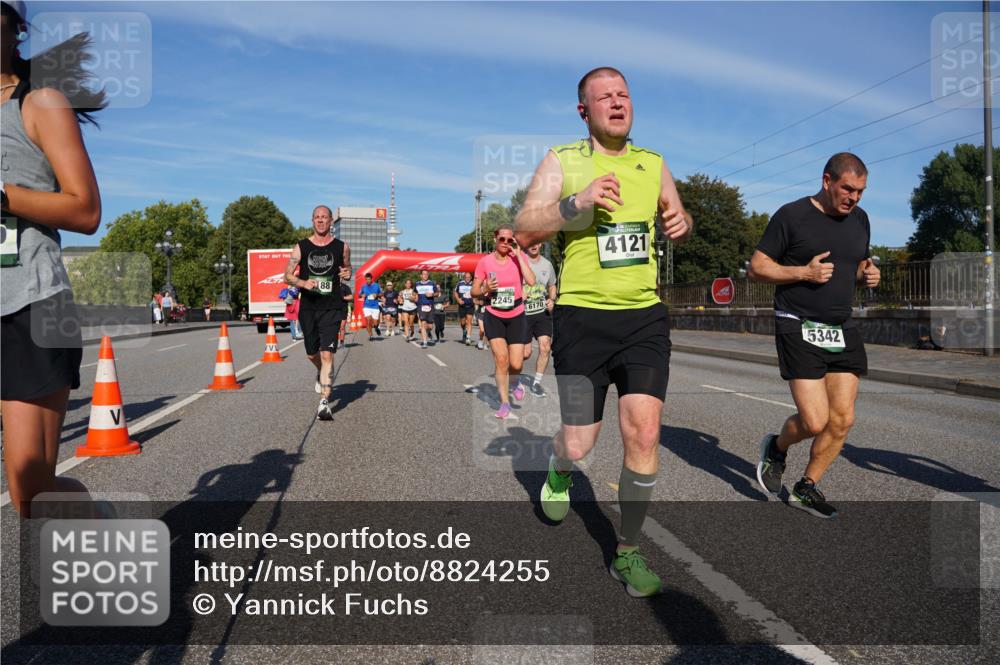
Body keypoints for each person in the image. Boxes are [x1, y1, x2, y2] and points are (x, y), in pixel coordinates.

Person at [515, 67, 693, 596]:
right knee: (579, 441)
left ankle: (628, 551)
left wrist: (680, 222)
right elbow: (525, 229)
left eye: (624, 94)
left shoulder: (652, 163)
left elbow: (675, 213)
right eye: (604, 97)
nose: (617, 103)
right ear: (584, 111)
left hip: (643, 317)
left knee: (644, 432)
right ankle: (559, 468)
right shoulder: (563, 161)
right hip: (580, 318)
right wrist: (579, 202)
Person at [1, 0, 107, 516]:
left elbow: (86, 210)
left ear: (15, 29)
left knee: (31, 491)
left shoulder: (39, 104)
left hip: (31, 303)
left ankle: (103, 534)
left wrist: (4, 197)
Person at [750, 152, 879, 519]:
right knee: (815, 421)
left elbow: (857, 265)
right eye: (848, 189)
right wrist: (803, 274)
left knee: (842, 420)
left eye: (861, 192)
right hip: (797, 322)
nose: (854, 198)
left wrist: (868, 275)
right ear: (827, 181)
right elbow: (757, 268)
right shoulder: (792, 216)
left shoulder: (861, 220)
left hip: (841, 327)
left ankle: (806, 487)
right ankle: (776, 447)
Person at [284, 205, 352, 421]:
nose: (321, 221)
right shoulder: (301, 247)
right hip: (309, 307)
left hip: (332, 306)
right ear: (312, 220)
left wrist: (348, 273)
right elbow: (287, 275)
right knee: (312, 354)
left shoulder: (342, 247)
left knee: (327, 354)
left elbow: (348, 271)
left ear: (331, 221)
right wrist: (303, 282)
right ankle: (320, 371)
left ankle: (324, 402)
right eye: (317, 217)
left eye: (325, 217)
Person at [472, 225, 536, 419]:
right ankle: (504, 403)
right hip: (494, 314)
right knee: (501, 359)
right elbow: (474, 291)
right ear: (495, 239)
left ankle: (515, 382)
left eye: (510, 240)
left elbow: (532, 281)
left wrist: (519, 256)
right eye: (503, 239)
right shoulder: (485, 262)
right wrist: (484, 288)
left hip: (516, 313)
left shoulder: (519, 258)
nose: (506, 243)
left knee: (516, 364)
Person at [520, 242, 558, 397]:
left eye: (536, 242)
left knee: (545, 347)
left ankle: (536, 383)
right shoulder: (521, 261)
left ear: (541, 244)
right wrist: (519, 294)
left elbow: (552, 285)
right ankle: (511, 374)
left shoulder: (547, 264)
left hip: (542, 313)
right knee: (525, 353)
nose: (533, 245)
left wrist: (552, 299)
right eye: (530, 243)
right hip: (524, 313)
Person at [414, 270, 439, 349]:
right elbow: (414, 293)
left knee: (430, 326)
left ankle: (428, 333)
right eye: (423, 274)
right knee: (423, 324)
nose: (425, 275)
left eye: (426, 274)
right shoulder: (417, 284)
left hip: (430, 306)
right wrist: (414, 298)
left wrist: (432, 294)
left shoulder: (432, 283)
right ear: (421, 275)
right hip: (421, 306)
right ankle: (425, 342)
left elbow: (437, 293)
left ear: (428, 275)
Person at [359, 272, 383, 341]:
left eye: (369, 279)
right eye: (366, 279)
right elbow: (359, 294)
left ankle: (376, 327)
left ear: (372, 279)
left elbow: (382, 294)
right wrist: (362, 295)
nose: (367, 281)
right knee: (368, 321)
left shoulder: (376, 286)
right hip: (367, 306)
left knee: (375, 323)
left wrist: (377, 295)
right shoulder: (364, 286)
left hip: (375, 306)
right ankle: (371, 335)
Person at [454, 272, 475, 345]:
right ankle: (464, 331)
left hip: (470, 305)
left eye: (469, 277)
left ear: (471, 278)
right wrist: (458, 300)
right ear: (464, 277)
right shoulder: (460, 283)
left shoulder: (473, 284)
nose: (467, 279)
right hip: (462, 305)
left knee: (469, 321)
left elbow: (477, 293)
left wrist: (475, 299)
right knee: (463, 322)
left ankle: (468, 337)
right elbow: (455, 292)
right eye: (466, 277)